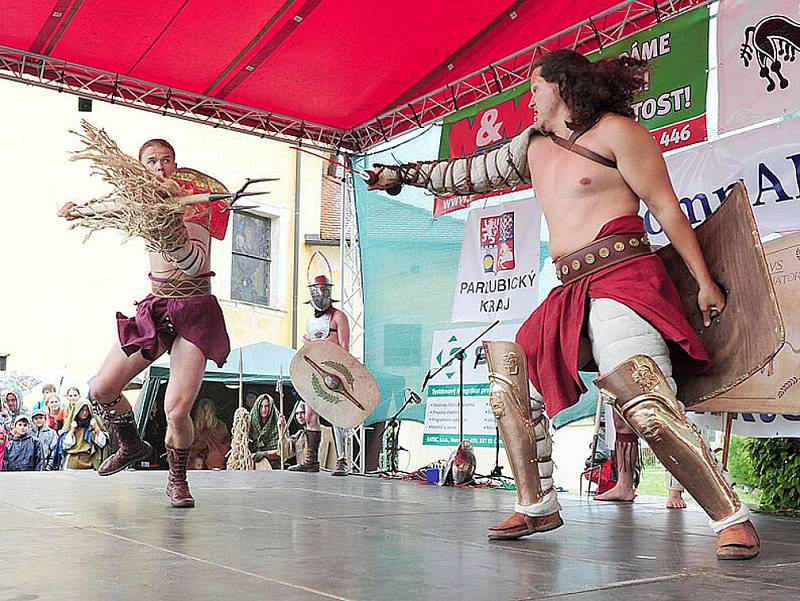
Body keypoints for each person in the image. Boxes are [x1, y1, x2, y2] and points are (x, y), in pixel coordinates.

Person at [368, 49, 758, 560]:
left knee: (645, 401)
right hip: (569, 286)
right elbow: (466, 174)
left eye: (535, 88)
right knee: (512, 381)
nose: (529, 99)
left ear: (563, 86)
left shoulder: (618, 132)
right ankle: (537, 505)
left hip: (624, 276)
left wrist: (704, 281)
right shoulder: (531, 146)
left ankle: (731, 517)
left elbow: (664, 205)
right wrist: (405, 175)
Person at [59, 137, 231, 507]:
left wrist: (174, 241)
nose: (160, 167)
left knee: (176, 410)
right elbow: (111, 211)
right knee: (102, 389)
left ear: (174, 164)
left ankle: (178, 480)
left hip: (194, 308)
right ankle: (132, 444)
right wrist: (79, 212)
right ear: (141, 169)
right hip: (157, 308)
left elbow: (194, 261)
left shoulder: (194, 205)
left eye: (166, 160)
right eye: (151, 161)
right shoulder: (142, 205)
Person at [289, 259, 352, 476]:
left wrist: (340, 373)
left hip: (335, 374)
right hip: (315, 374)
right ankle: (311, 460)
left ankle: (343, 461)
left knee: (336, 417)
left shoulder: (338, 317)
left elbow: (344, 348)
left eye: (325, 290)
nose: (322, 293)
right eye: (319, 290)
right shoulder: (311, 322)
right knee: (309, 416)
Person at [61, 400, 109, 470]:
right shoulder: (72, 424)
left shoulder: (93, 423)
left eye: (87, 410)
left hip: (89, 462)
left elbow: (102, 443)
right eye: (82, 410)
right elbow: (65, 445)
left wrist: (96, 429)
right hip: (72, 463)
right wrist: (72, 431)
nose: (84, 413)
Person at [188, 398, 230, 470]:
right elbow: (189, 448)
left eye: (208, 411)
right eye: (203, 411)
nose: (206, 414)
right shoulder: (192, 427)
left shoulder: (220, 426)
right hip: (194, 465)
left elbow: (225, 447)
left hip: (216, 467)